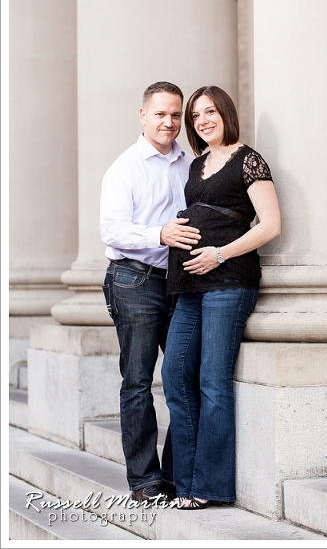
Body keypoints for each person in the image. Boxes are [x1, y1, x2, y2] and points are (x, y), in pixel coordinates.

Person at [161, 85, 281, 510]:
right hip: (189, 285)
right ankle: (182, 479)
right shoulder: (197, 165)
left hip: (230, 282)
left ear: (226, 113)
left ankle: (206, 486)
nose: (203, 121)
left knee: (212, 381)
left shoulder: (248, 159)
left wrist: (218, 254)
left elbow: (270, 225)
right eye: (196, 116)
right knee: (175, 374)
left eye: (210, 112)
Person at [100, 81, 201, 503]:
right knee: (139, 382)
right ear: (143, 115)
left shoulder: (190, 162)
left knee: (182, 377)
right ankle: (144, 481)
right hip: (134, 279)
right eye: (160, 114)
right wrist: (159, 233)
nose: (169, 122)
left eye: (176, 115)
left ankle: (177, 476)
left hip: (179, 283)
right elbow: (112, 230)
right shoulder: (124, 167)